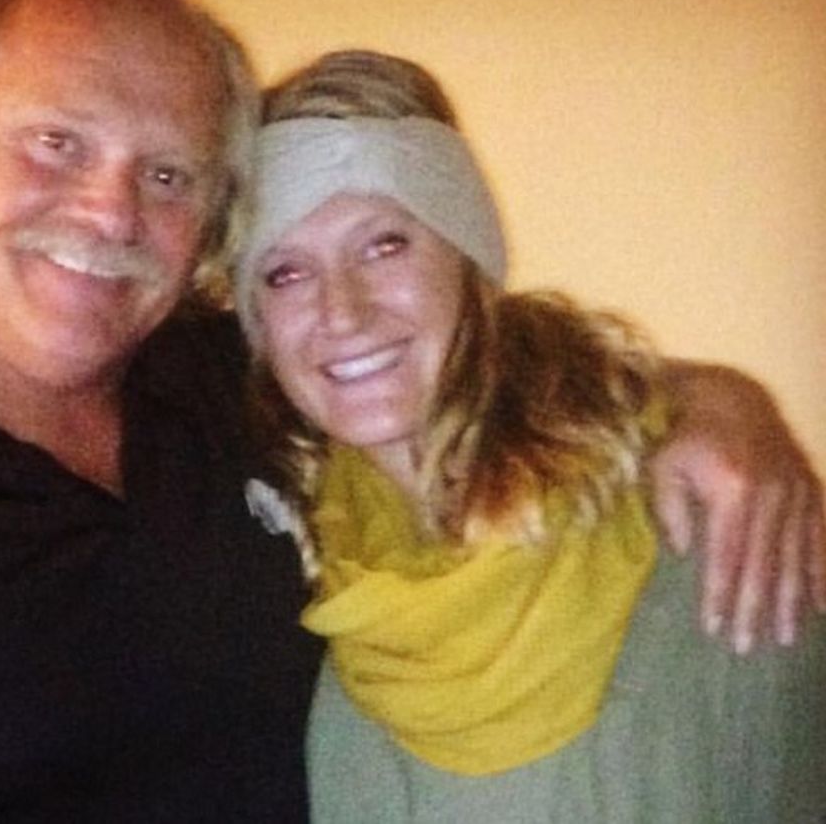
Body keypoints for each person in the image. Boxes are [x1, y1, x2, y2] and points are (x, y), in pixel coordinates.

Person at [0, 0, 818, 824]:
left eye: (167, 173)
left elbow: (435, 366)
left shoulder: (227, 388)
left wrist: (710, 401)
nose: (109, 212)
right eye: (58, 140)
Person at [231, 49, 826, 823]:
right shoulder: (303, 571)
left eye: (385, 244)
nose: (342, 312)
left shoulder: (715, 531)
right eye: (284, 273)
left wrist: (726, 399)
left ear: (468, 257)